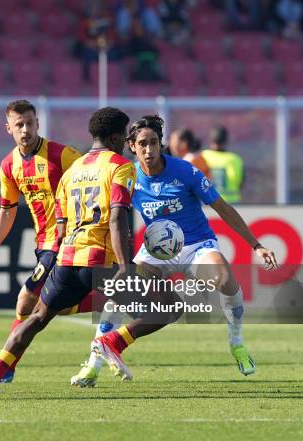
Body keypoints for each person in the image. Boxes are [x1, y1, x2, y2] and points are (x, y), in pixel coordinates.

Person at [70, 115, 278, 387]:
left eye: (154, 143)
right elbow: (110, 215)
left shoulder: (186, 171)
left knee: (227, 282)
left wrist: (256, 245)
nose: (149, 150)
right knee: (118, 296)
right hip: (156, 251)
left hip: (196, 245)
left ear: (160, 144)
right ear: (131, 146)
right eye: (142, 144)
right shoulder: (127, 174)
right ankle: (93, 365)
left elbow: (223, 208)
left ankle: (236, 342)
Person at [0, 107, 144, 395]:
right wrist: (125, 266)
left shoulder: (72, 169)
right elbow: (117, 218)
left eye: (30, 123)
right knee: (170, 303)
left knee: (37, 317)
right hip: (100, 258)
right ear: (116, 137)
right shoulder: (121, 166)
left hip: (66, 255)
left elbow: (63, 223)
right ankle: (110, 342)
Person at [201, 126, 244, 204]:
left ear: (211, 140)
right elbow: (241, 183)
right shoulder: (235, 159)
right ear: (226, 141)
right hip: (232, 204)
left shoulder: (203, 156)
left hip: (208, 203)